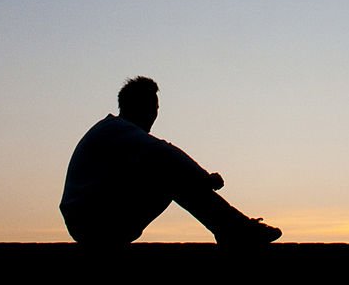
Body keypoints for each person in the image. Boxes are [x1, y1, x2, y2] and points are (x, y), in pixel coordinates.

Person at [60, 76, 281, 247]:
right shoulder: (117, 130)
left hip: (94, 218)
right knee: (168, 175)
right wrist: (204, 178)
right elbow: (166, 153)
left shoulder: (115, 134)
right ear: (141, 107)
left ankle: (234, 228)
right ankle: (235, 229)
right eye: (154, 109)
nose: (155, 115)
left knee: (167, 173)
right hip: (93, 221)